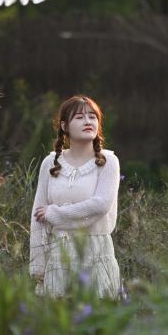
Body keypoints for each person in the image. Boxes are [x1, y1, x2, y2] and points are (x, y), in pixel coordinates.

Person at [29, 95, 122, 299]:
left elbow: (100, 205)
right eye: (80, 117)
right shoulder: (50, 163)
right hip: (58, 255)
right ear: (65, 125)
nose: (88, 122)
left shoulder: (108, 162)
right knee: (60, 324)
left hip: (96, 254)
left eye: (92, 116)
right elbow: (37, 219)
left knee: (98, 320)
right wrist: (37, 269)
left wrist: (55, 214)